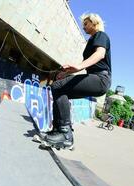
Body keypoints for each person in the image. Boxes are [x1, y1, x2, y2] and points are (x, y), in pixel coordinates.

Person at [41, 13, 112, 149]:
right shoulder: (91, 41)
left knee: (58, 87)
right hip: (95, 77)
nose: (84, 27)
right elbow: (86, 64)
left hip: (101, 79)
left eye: (86, 24)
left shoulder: (101, 35)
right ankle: (58, 131)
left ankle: (65, 134)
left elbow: (100, 54)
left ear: (94, 23)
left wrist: (79, 66)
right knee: (59, 89)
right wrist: (66, 72)